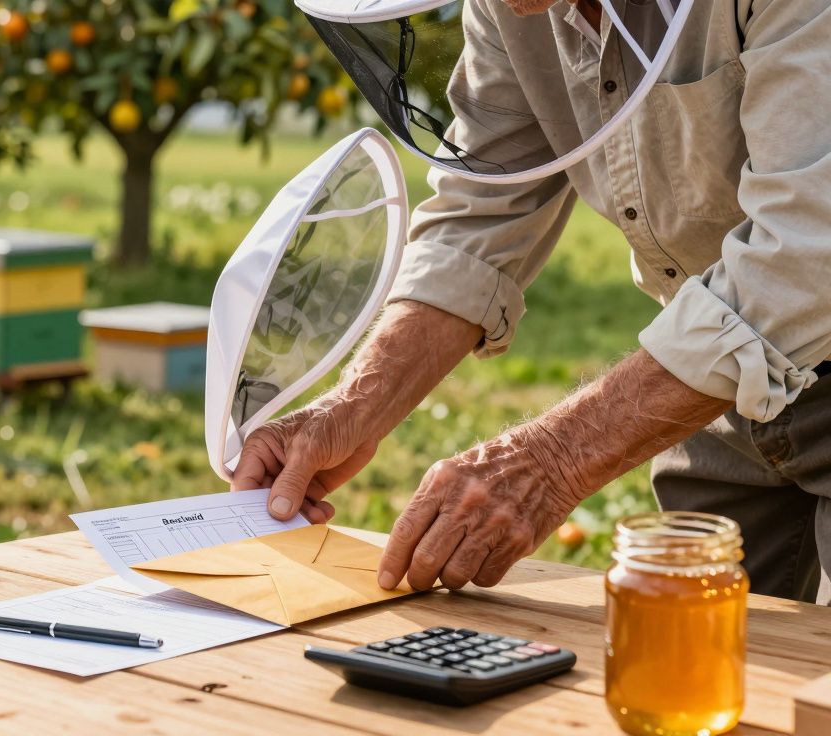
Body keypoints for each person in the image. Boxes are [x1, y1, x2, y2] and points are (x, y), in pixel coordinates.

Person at [234, 0, 831, 602]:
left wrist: (550, 461)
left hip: (777, 335)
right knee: (683, 646)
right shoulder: (511, 7)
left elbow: (806, 257)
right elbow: (480, 214)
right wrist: (351, 408)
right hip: (711, 385)